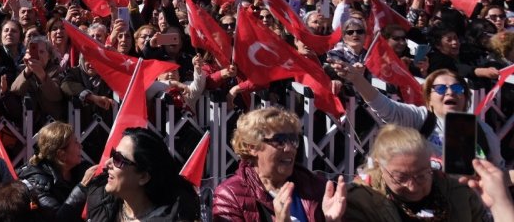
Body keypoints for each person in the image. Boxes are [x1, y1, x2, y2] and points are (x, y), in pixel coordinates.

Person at [330, 64, 505, 167]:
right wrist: (357, 80)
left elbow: (499, 171)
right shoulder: (421, 118)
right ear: (429, 97)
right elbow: (384, 107)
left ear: (466, 97)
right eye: (441, 89)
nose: (450, 93)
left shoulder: (482, 129)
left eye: (458, 89)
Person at [212, 107, 346, 222]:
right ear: (252, 147)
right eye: (279, 141)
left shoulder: (318, 187)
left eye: (293, 140)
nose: (289, 148)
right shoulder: (230, 195)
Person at [344, 124, 485, 222]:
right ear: (379, 165)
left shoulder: (457, 190)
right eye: (400, 178)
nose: (412, 187)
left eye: (421, 175)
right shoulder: (361, 200)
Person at [84, 126, 201, 222]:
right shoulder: (100, 202)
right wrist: (80, 190)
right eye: (113, 154)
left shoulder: (178, 217)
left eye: (118, 159)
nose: (107, 163)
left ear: (143, 177)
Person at [17, 121, 98, 221]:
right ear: (61, 154)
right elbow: (58, 219)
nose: (81, 146)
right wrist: (82, 186)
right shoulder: (38, 182)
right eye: (75, 142)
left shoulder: (79, 168)